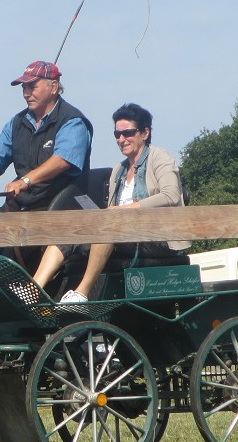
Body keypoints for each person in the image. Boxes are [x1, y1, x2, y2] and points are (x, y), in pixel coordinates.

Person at [30, 102, 189, 302]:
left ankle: (81, 294)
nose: (122, 139)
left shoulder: (160, 158)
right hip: (123, 233)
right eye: (117, 135)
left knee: (107, 229)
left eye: (128, 133)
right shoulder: (118, 170)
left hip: (156, 237)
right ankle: (33, 289)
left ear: (145, 133)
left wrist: (123, 211)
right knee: (67, 236)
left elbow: (171, 195)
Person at [0, 61, 92, 211]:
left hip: (60, 209)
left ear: (54, 87)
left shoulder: (72, 121)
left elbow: (62, 161)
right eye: (24, 88)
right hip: (21, 206)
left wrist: (24, 181)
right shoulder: (17, 123)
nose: (26, 94)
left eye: (33, 87)